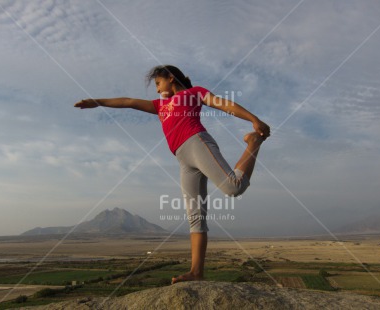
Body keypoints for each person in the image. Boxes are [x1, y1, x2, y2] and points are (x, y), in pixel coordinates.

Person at [74, 65, 270, 284]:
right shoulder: (160, 106)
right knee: (195, 217)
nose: (157, 90)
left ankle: (253, 142)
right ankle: (196, 272)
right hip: (182, 159)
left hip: (197, 143)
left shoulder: (193, 93)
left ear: (170, 78)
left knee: (233, 187)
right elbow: (128, 102)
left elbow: (223, 104)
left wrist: (253, 119)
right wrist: (98, 102)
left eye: (158, 83)